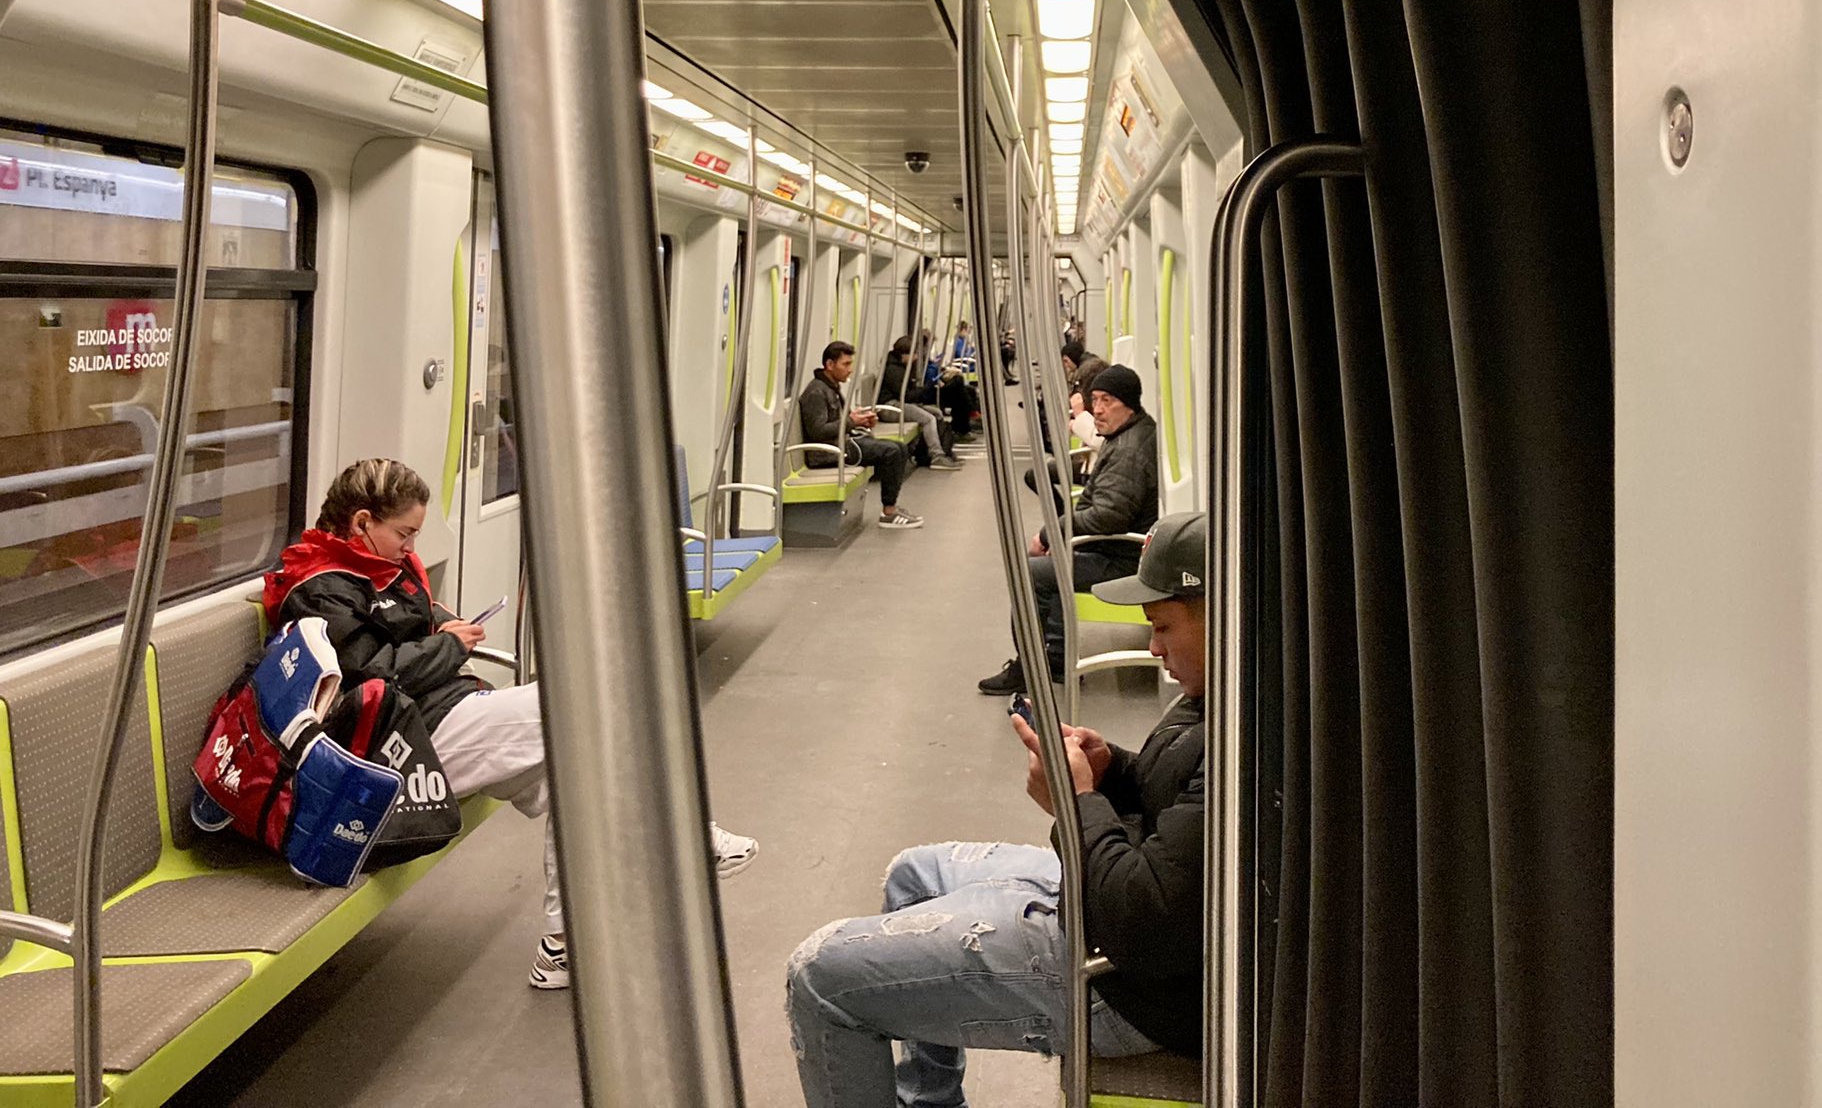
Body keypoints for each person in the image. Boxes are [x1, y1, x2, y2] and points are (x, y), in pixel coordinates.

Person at [267, 459, 759, 991]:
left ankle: (564, 946)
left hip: (436, 715)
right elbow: (367, 677)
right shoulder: (318, 588)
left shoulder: (377, 567)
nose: (410, 548)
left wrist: (444, 627)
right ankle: (682, 835)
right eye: (404, 534)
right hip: (390, 749)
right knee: (585, 707)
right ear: (362, 522)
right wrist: (448, 646)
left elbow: (408, 627)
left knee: (579, 776)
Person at [786, 513, 1209, 1107]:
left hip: (1132, 986)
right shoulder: (1216, 693)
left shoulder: (1247, 739)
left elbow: (1146, 924)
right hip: (1113, 898)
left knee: (818, 978)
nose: (1153, 647)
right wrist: (1113, 769)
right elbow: (1179, 804)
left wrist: (1077, 804)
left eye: (1163, 626)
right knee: (914, 875)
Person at [980, 364, 1157, 696]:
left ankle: (1029, 667)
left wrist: (1052, 532)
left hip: (1120, 558)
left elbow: (1108, 517)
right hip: (1118, 549)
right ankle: (1057, 658)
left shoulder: (1128, 452)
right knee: (1054, 565)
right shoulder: (1131, 435)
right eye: (1095, 400)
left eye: (1108, 401)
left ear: (1129, 404)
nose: (1098, 409)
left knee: (1028, 573)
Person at [799, 340, 925, 528]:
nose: (850, 370)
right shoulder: (816, 392)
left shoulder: (831, 387)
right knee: (891, 452)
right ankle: (889, 512)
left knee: (899, 447)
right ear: (830, 364)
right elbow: (818, 431)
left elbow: (840, 421)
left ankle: (891, 508)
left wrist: (860, 421)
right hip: (829, 453)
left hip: (841, 443)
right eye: (846, 364)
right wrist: (852, 422)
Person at [879, 335, 963, 471]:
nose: (916, 357)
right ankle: (936, 455)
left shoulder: (902, 367)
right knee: (928, 419)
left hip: (898, 403)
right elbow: (906, 396)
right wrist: (927, 388)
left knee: (937, 413)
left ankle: (934, 451)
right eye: (914, 354)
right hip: (890, 407)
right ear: (904, 354)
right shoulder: (893, 370)